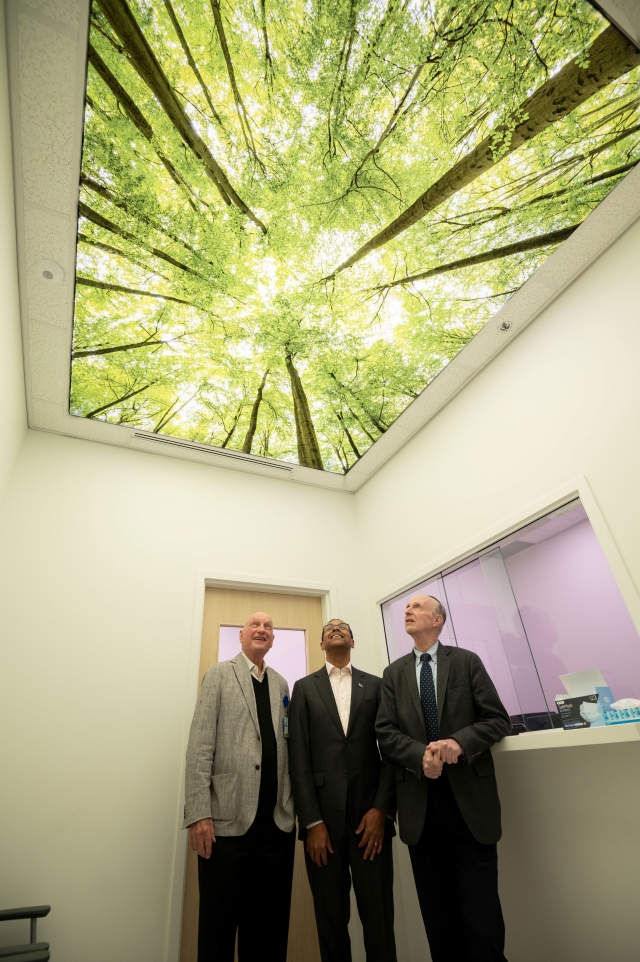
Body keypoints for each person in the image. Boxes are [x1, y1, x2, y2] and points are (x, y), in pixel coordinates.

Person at [375, 594, 512, 962]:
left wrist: (459, 741)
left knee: (481, 921)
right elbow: (385, 733)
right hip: (421, 811)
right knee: (438, 922)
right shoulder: (394, 673)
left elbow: (497, 720)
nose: (408, 610)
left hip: (471, 807)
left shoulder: (466, 662)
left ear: (437, 620)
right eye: (407, 608)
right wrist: (420, 756)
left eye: (417, 607)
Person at [184, 611, 295, 962]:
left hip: (276, 828)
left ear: (273, 639)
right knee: (218, 930)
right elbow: (200, 746)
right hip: (226, 827)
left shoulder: (281, 684)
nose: (262, 630)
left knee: (267, 934)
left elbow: (286, 745)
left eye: (268, 627)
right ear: (242, 636)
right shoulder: (218, 674)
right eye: (255, 625)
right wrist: (199, 813)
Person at [289, 618, 397, 962]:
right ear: (321, 644)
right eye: (328, 629)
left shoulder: (378, 686)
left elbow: (390, 753)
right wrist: (312, 823)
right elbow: (299, 761)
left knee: (379, 921)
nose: (335, 629)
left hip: (371, 825)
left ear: (352, 641)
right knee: (331, 925)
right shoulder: (304, 688)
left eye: (343, 628)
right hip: (323, 829)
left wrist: (382, 810)